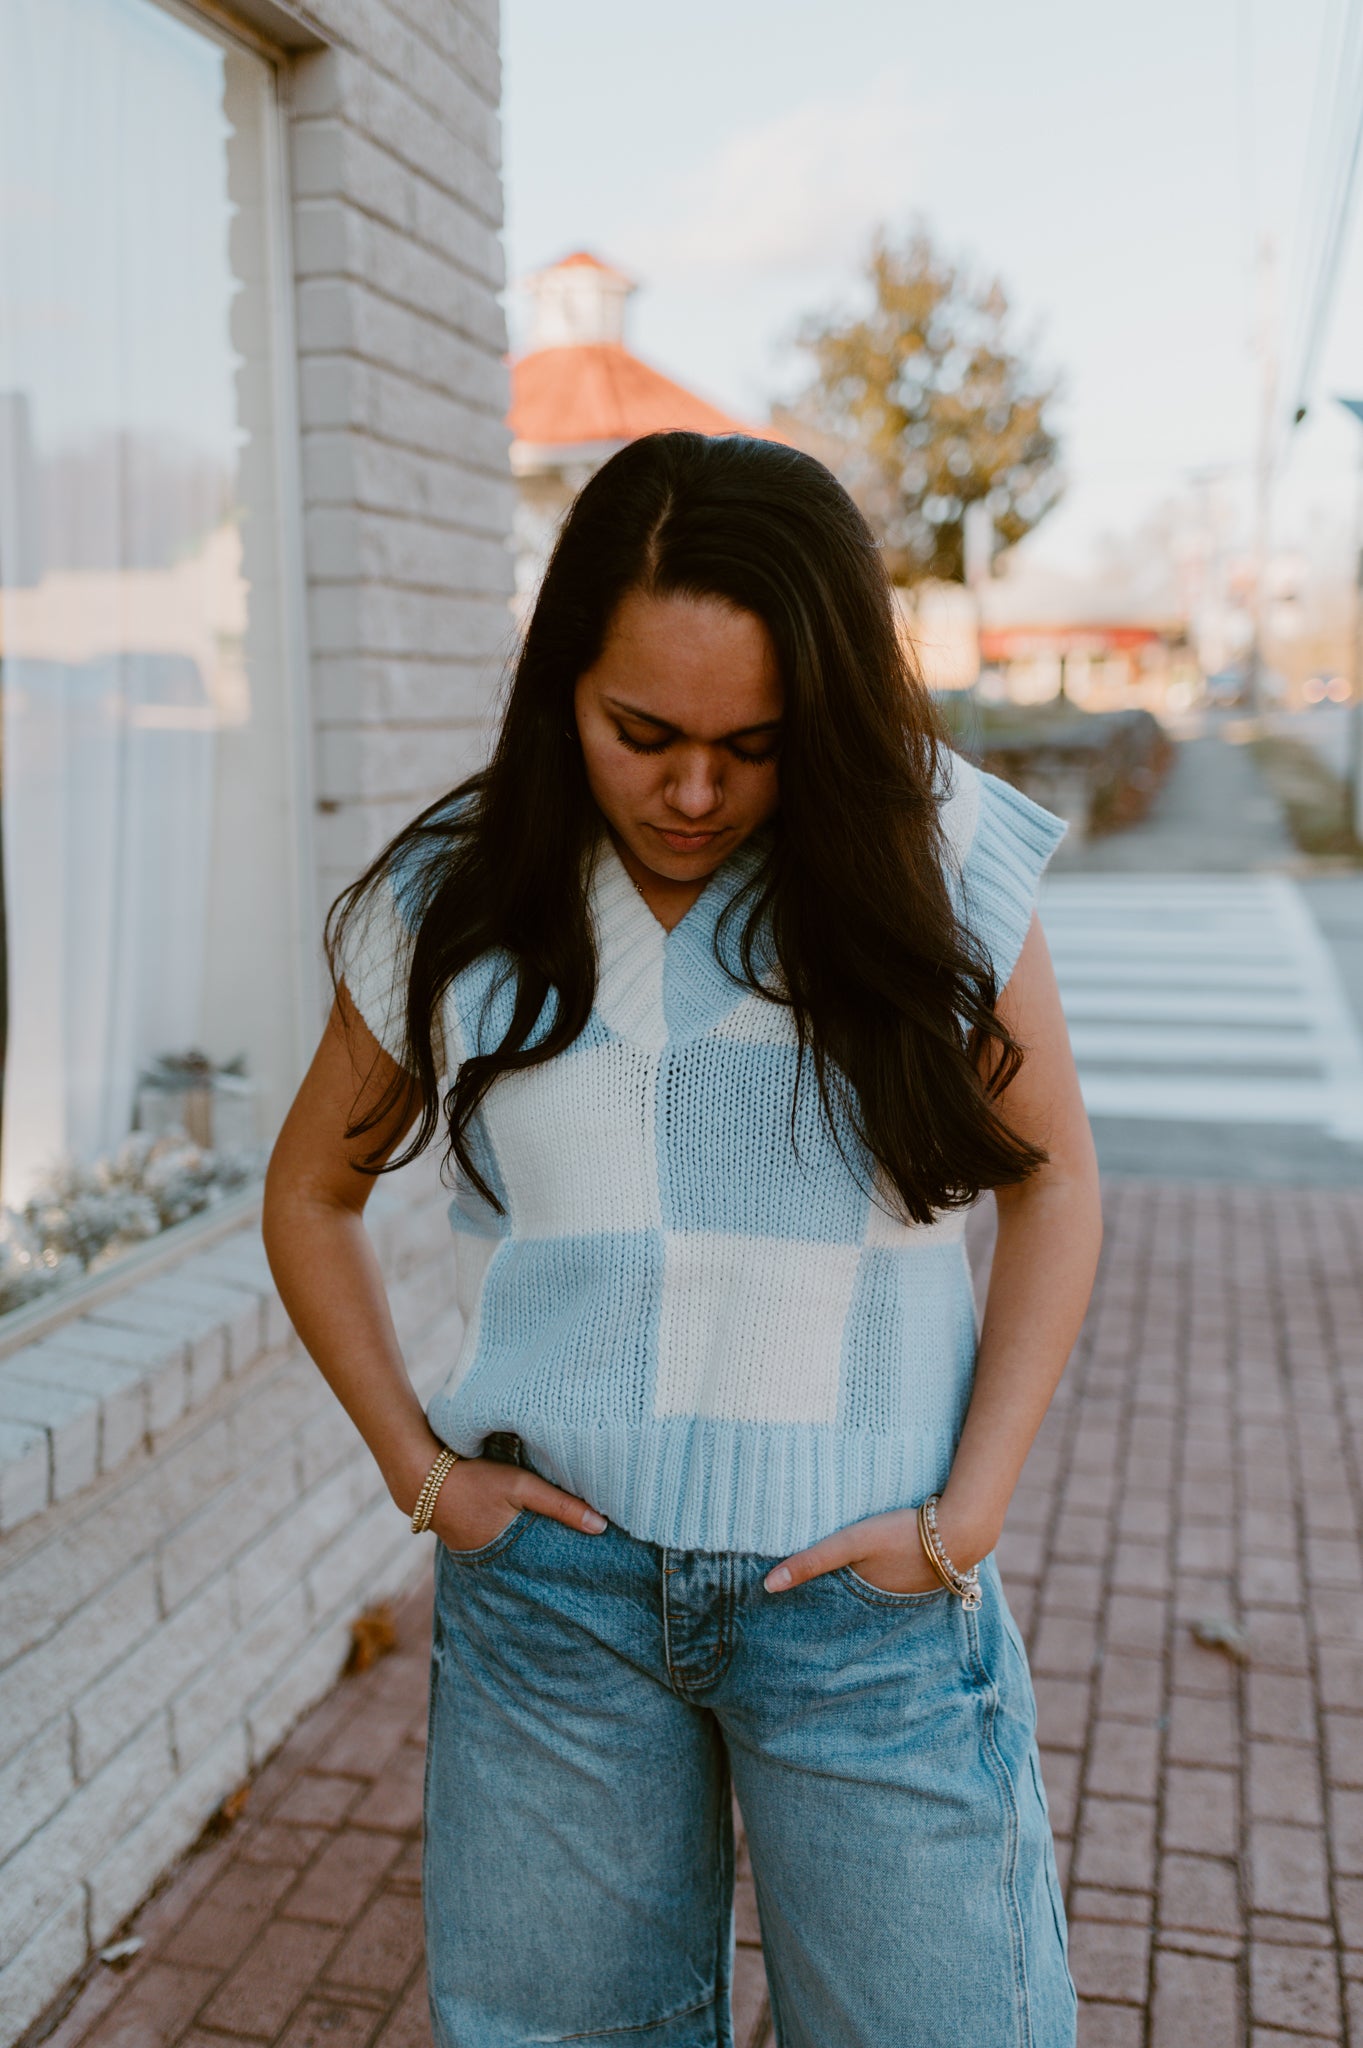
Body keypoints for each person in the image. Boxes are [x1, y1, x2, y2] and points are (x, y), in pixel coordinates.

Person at [263, 431, 1101, 2048]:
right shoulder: (454, 897)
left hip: (870, 1605)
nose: (696, 791)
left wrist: (970, 1513)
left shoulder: (927, 855)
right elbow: (310, 1193)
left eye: (755, 745)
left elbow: (1055, 1179)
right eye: (641, 733)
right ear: (558, 679)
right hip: (556, 1607)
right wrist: (419, 1474)